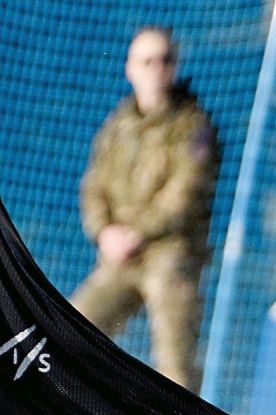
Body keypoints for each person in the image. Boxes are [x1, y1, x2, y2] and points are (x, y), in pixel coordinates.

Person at [74, 26, 219, 391]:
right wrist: (105, 232)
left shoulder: (193, 126)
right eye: (147, 61)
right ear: (130, 69)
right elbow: (94, 186)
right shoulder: (118, 127)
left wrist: (137, 233)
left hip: (171, 258)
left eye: (165, 60)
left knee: (175, 369)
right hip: (120, 258)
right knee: (69, 330)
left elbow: (184, 196)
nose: (157, 69)